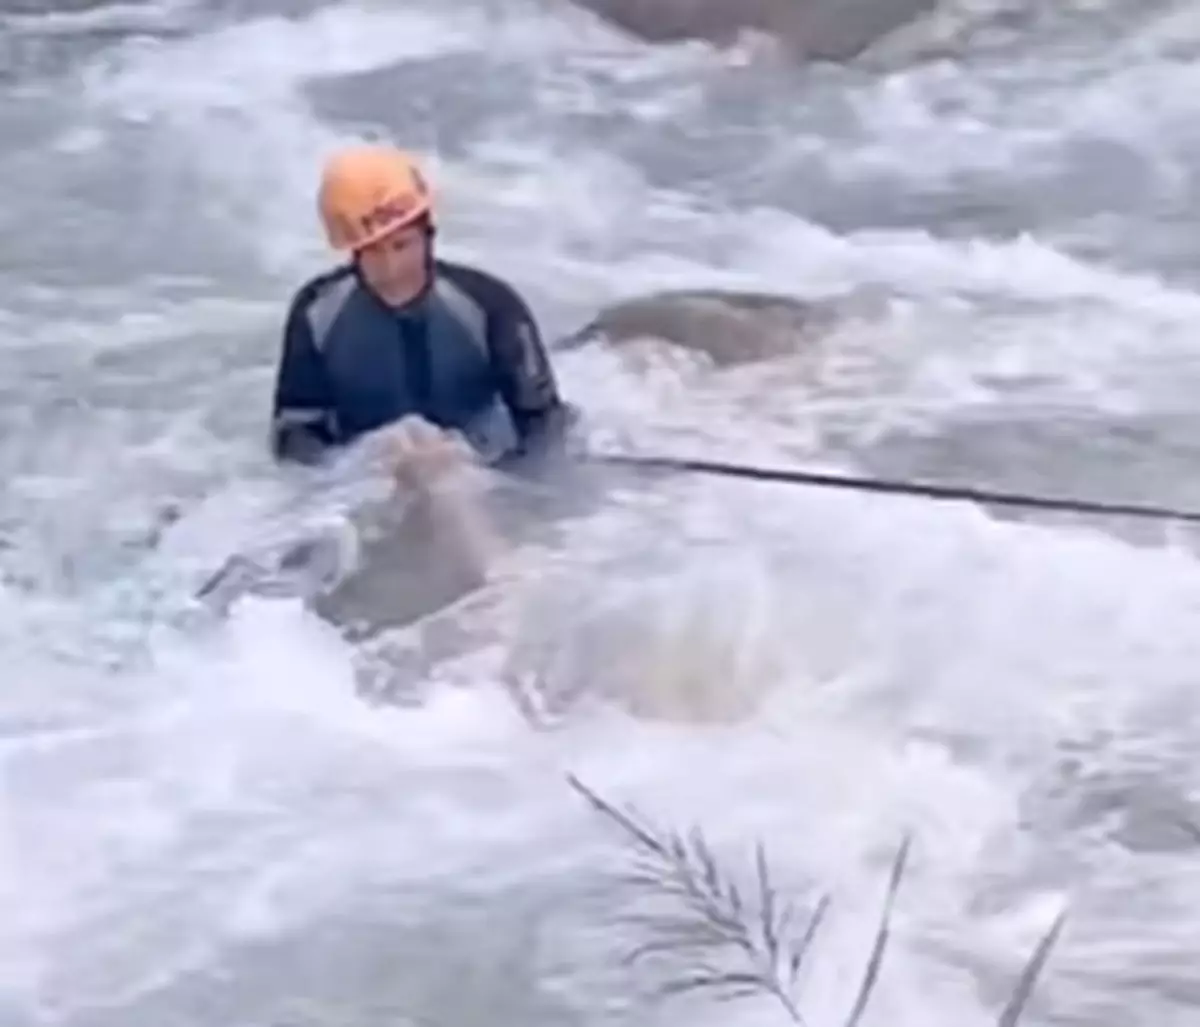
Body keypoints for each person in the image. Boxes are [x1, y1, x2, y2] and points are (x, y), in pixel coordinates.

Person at [269, 142, 574, 482]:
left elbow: (543, 424)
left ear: (429, 235)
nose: (391, 268)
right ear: (352, 253)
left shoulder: (489, 305)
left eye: (403, 245)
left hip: (485, 470)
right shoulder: (317, 313)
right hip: (370, 481)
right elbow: (294, 435)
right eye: (372, 252)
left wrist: (500, 484)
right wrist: (357, 468)